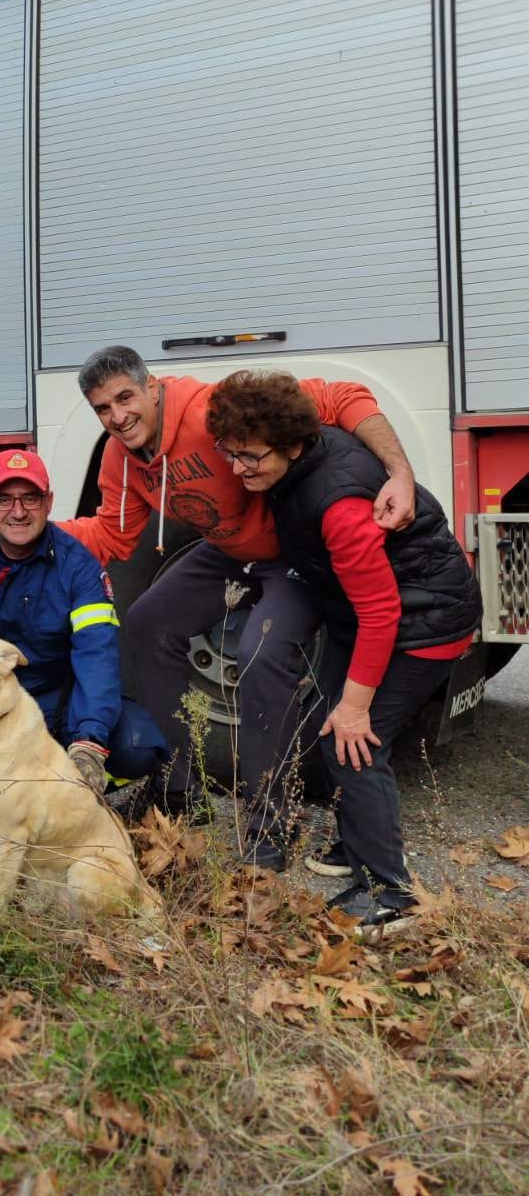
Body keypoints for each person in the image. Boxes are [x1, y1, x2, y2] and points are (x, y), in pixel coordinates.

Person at [56, 345, 418, 868]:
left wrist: (399, 471)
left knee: (260, 653)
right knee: (147, 624)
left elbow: (343, 396)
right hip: (229, 552)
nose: (117, 416)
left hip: (291, 554)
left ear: (151, 387)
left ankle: (275, 824)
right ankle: (180, 791)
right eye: (102, 409)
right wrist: (37, 526)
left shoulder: (211, 409)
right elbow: (113, 536)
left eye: (125, 398)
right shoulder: (122, 458)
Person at [205, 371, 481, 934]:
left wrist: (356, 707)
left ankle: (389, 893)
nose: (238, 469)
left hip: (422, 624)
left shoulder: (338, 503)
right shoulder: (297, 456)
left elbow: (382, 612)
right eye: (229, 455)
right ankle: (359, 837)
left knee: (351, 738)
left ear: (293, 444)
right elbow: (344, 393)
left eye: (250, 457)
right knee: (330, 720)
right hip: (370, 614)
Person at [0, 448, 170, 791]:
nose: (18, 512)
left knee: (137, 746)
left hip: (56, 705)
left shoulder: (78, 565)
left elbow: (97, 656)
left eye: (30, 498)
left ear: (49, 502)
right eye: (4, 499)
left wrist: (88, 740)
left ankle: (67, 790)